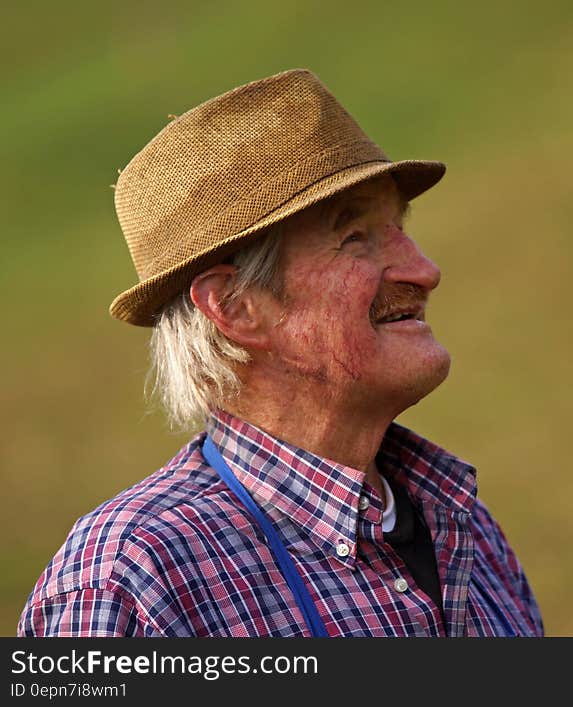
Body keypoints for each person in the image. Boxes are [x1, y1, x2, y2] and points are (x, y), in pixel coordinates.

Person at [18, 69, 543, 637]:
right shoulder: (132, 580)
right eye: (355, 238)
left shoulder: (463, 527)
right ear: (237, 307)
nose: (424, 270)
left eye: (398, 228)